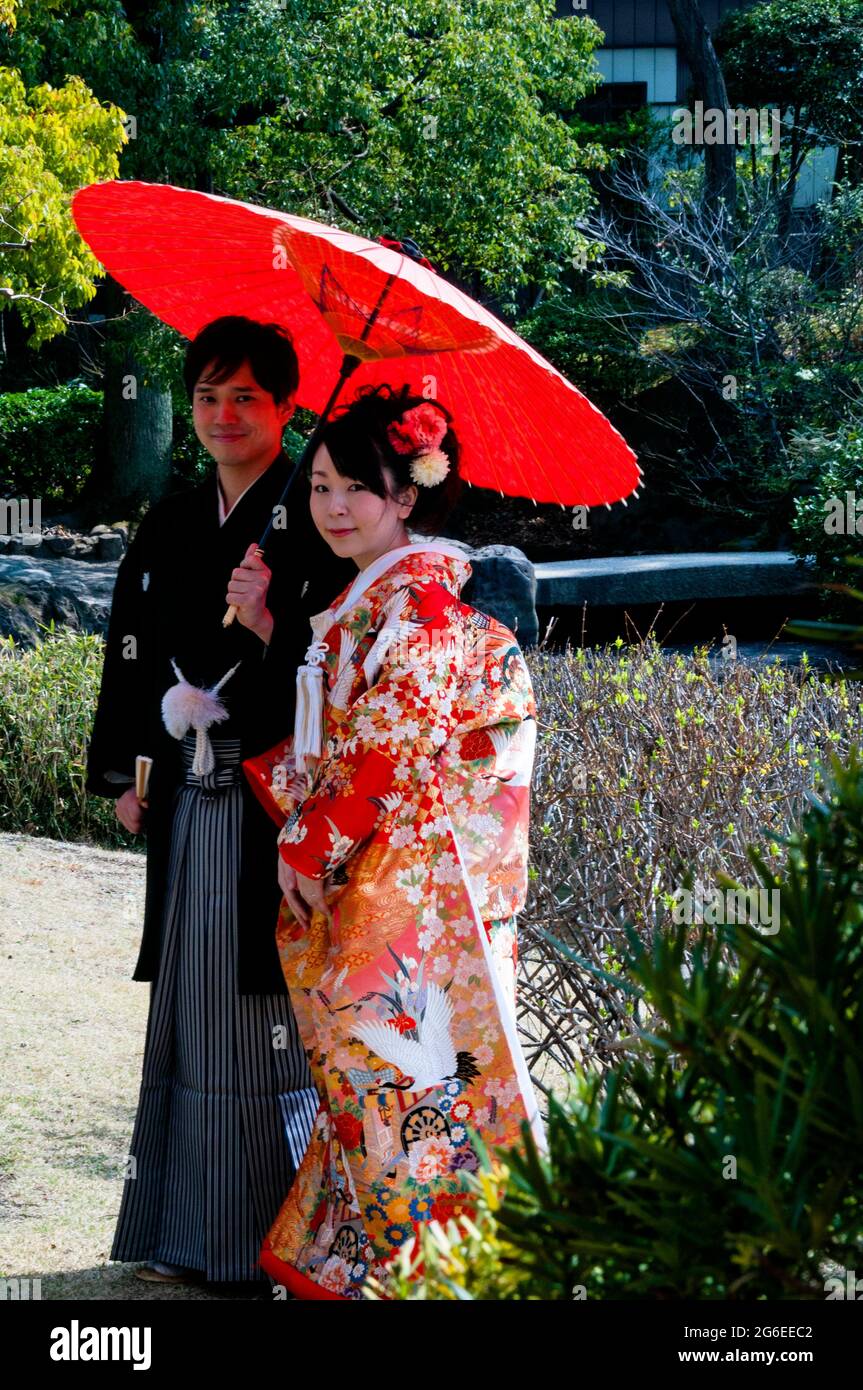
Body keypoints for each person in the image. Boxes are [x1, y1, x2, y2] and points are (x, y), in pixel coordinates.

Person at [242, 382, 545, 1300]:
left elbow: (382, 750)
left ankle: (427, 1275)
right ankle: (363, 1266)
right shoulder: (378, 598)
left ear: (406, 497)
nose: (333, 506)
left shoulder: (420, 610)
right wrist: (266, 628)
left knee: (398, 1082)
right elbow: (343, 737)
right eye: (321, 486)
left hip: (403, 896)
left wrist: (305, 847)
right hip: (387, 877)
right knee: (379, 1087)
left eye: (357, 489)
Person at [85, 315, 355, 1285]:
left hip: (273, 803)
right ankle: (183, 1234)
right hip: (190, 795)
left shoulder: (317, 519)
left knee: (261, 1015)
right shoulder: (168, 519)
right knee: (193, 1011)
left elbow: (344, 668)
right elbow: (130, 648)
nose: (222, 413)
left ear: (285, 407)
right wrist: (126, 767)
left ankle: (263, 1249)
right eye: (206, 394)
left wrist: (274, 622)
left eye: (245, 394)